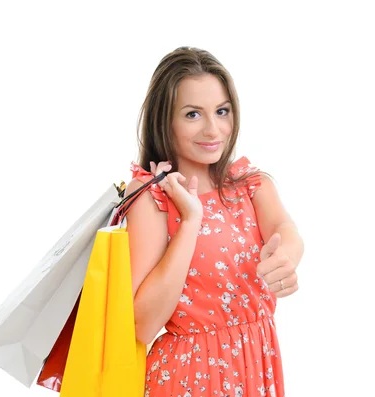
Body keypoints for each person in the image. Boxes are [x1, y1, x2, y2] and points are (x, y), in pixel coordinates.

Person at [124, 46, 304, 397]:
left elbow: (286, 231)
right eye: (193, 114)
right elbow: (142, 325)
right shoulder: (151, 197)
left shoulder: (249, 184)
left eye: (222, 111)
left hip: (256, 365)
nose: (213, 129)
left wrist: (287, 259)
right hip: (189, 378)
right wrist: (191, 220)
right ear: (165, 120)